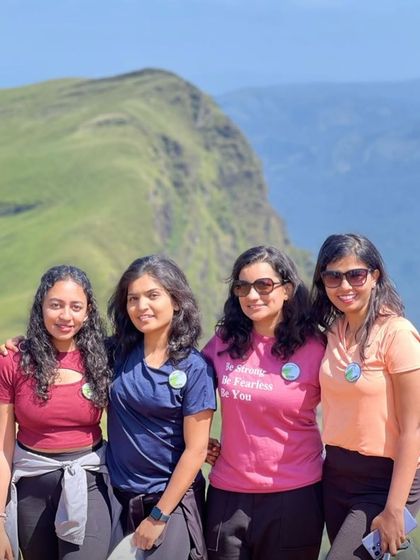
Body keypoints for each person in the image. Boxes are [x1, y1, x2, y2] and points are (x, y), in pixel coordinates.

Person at [202, 245, 326, 560]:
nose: (252, 295)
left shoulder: (316, 347)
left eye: (264, 285)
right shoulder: (223, 343)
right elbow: (184, 394)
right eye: (242, 287)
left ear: (287, 290)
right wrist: (196, 441)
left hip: (295, 497)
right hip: (227, 496)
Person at [311, 233, 420, 559]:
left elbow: (414, 428)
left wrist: (393, 508)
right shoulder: (333, 333)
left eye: (355, 275)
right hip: (337, 475)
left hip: (385, 481)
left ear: (375, 276)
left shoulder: (397, 335)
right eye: (333, 276)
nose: (344, 286)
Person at [0, 265, 119, 560]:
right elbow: (2, 448)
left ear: (88, 312)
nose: (66, 316)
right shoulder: (13, 361)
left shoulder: (105, 357)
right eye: (55, 305)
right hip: (31, 485)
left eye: (75, 307)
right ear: (41, 306)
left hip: (89, 480)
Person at [106, 255, 216, 559]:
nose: (142, 307)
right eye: (133, 299)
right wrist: (22, 345)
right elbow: (65, 346)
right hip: (117, 499)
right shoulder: (116, 353)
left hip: (171, 502)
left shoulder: (195, 368)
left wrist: (158, 516)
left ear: (176, 301)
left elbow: (196, 450)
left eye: (153, 295)